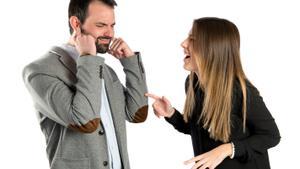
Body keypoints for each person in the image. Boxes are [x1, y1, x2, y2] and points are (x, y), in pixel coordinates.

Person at [22, 0, 148, 169]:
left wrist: (129, 62)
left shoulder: (103, 69)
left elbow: (137, 114)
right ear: (76, 24)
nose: (110, 33)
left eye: (112, 25)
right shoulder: (39, 71)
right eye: (101, 25)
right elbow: (85, 121)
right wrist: (88, 57)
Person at [146, 17, 280, 169]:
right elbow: (198, 129)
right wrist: (171, 114)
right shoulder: (192, 84)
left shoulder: (240, 91)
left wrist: (227, 149)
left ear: (212, 49)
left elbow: (271, 136)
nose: (183, 43)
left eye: (193, 39)